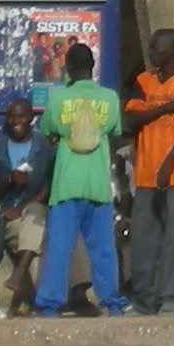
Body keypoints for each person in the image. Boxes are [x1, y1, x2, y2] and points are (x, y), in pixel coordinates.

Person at [121, 28, 174, 315]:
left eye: (156, 47)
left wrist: (168, 164)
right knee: (143, 241)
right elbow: (132, 118)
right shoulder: (143, 82)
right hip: (145, 174)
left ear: (172, 50)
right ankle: (143, 300)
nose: (151, 51)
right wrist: (168, 107)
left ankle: (169, 298)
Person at [38, 41, 129, 316]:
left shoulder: (57, 99)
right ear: (93, 67)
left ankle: (50, 307)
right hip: (98, 185)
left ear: (67, 68)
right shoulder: (110, 99)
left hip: (66, 184)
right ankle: (112, 303)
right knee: (103, 250)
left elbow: (49, 132)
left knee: (60, 250)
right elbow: (114, 131)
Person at [0, 95, 52, 315]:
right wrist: (9, 182)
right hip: (8, 219)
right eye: (12, 117)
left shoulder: (43, 146)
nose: (17, 122)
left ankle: (19, 275)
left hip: (35, 212)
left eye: (22, 116)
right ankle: (30, 300)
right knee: (28, 240)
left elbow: (50, 185)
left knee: (35, 215)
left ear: (31, 118)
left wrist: (23, 207)